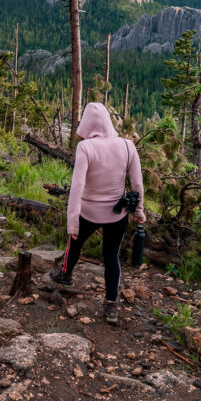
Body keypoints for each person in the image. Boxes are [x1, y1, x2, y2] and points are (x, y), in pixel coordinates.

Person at [49, 102, 145, 324]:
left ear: (88, 124)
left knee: (75, 243)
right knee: (111, 257)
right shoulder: (128, 146)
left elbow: (77, 186)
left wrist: (72, 223)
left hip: (88, 212)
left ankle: (66, 275)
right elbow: (137, 185)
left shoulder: (86, 148)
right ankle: (111, 305)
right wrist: (139, 212)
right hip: (117, 214)